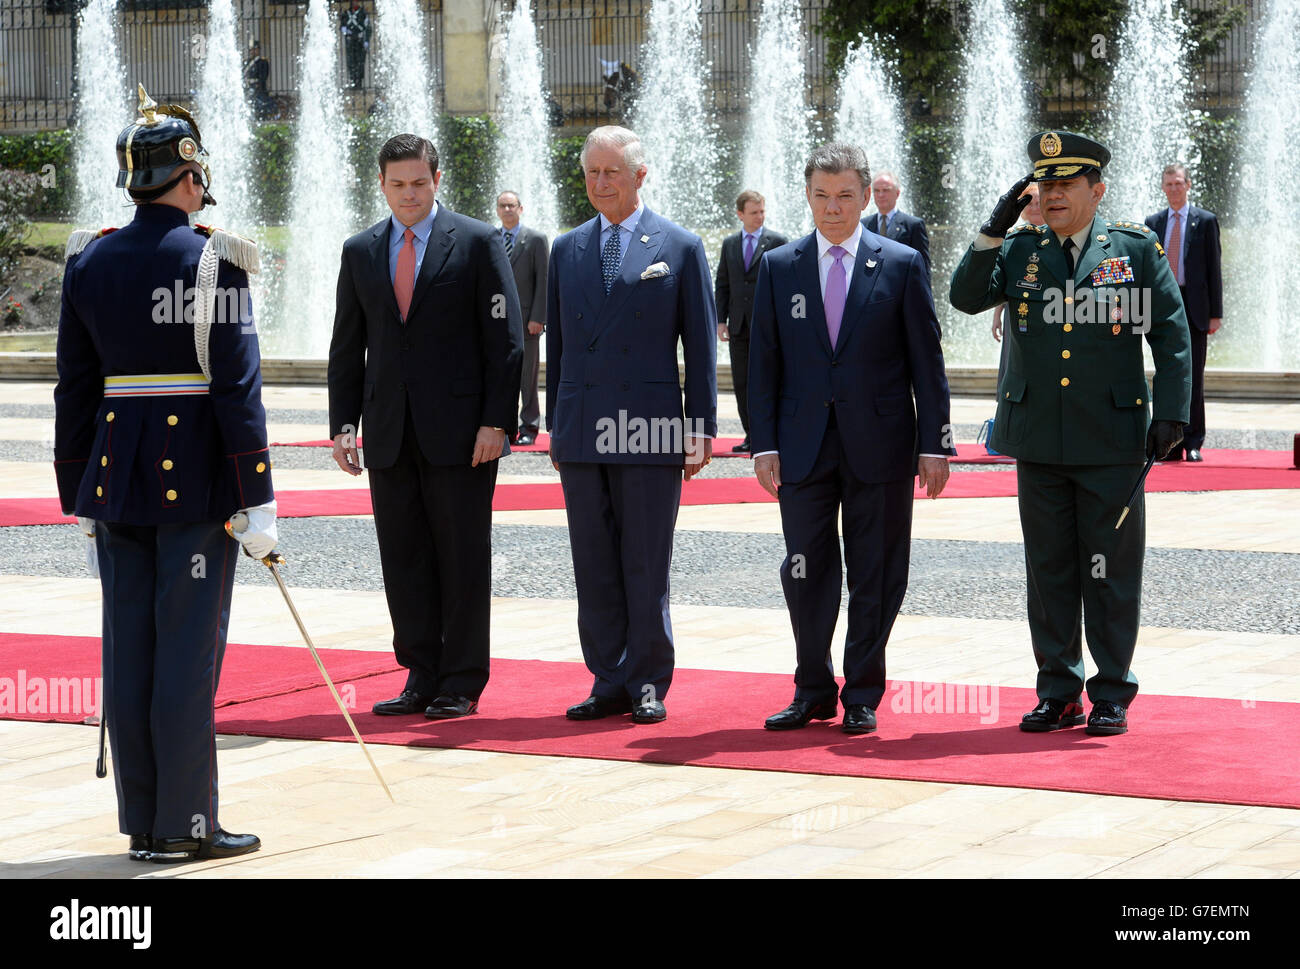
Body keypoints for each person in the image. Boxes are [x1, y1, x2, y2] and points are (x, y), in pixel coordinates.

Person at [55, 85, 275, 862]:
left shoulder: (89, 259)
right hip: (196, 484)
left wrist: (76, 493)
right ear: (191, 176)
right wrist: (260, 499)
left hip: (115, 481)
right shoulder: (216, 259)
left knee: (130, 652)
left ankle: (145, 823)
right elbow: (236, 390)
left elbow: (74, 390)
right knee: (185, 655)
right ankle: (187, 825)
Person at [949, 131, 1191, 736]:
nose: (1052, 195)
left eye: (1066, 184)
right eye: (1045, 184)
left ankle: (1111, 691)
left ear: (1096, 189)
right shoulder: (1023, 247)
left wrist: (1172, 413)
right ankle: (1059, 690)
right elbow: (964, 297)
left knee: (1109, 568)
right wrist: (993, 229)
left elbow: (1172, 333)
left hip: (1111, 439)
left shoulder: (1132, 250)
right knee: (1049, 569)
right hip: (1038, 439)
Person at [750, 143, 954, 735]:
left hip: (883, 446)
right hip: (802, 447)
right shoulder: (779, 265)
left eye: (844, 196)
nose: (832, 209)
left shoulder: (901, 263)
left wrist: (934, 444)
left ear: (866, 197)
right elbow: (762, 364)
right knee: (805, 571)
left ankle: (862, 689)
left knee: (878, 571)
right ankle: (812, 687)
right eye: (821, 196)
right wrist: (763, 444)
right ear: (807, 197)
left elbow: (928, 363)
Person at [328, 133, 523, 721]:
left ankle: (461, 681)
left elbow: (506, 341)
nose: (408, 194)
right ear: (382, 185)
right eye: (397, 184)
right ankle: (419, 673)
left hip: (463, 434)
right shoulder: (360, 251)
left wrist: (497, 421)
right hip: (389, 431)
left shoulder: (478, 241)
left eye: (418, 182)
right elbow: (347, 345)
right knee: (404, 557)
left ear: (436, 180)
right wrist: (343, 423)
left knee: (462, 557)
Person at [546, 125, 717, 724]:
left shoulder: (680, 245)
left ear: (640, 176)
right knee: (592, 561)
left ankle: (647, 680)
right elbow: (560, 348)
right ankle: (607, 677)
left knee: (645, 561)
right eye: (591, 172)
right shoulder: (565, 249)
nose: (598, 183)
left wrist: (700, 428)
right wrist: (557, 427)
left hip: (649, 429)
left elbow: (699, 347)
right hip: (584, 426)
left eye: (610, 172)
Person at [1144, 163, 1222, 462]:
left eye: (1178, 183)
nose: (1173, 189)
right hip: (1163, 304)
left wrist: (1216, 313)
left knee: (1194, 375)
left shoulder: (1205, 221)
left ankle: (1193, 441)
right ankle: (1169, 442)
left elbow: (1214, 268)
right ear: (1163, 188)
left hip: (1196, 306)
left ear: (1188, 185)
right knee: (1167, 372)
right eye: (1168, 184)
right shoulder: (1153, 221)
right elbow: (1146, 267)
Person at [714, 189, 788, 453]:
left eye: (762, 211)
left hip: (769, 326)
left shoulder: (778, 241)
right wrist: (720, 321)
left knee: (769, 380)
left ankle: (771, 435)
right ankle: (750, 436)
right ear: (740, 214)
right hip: (739, 327)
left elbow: (787, 284)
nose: (760, 217)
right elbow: (722, 284)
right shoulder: (730, 244)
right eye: (754, 212)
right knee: (742, 383)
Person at [496, 190, 548, 445]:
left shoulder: (536, 239)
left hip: (528, 322)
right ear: (497, 210)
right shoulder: (491, 238)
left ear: (520, 208)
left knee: (527, 378)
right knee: (501, 377)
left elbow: (544, 280)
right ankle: (504, 428)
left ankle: (529, 427)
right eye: (503, 206)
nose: (507, 210)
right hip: (497, 322)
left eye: (511, 205)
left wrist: (538, 317)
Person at [992, 181, 1042, 345]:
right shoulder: (1012, 240)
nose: (1034, 207)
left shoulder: (1061, 236)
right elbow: (1003, 279)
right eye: (1029, 203)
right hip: (1017, 311)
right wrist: (996, 316)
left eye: (1038, 203)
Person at [862, 171, 931, 278]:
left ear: (897, 193)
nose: (881, 195)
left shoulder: (913, 225)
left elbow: (923, 268)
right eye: (877, 190)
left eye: (886, 190)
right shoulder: (863, 224)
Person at [341, 2, 371, 91]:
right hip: (350, 41)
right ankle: (353, 81)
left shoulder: (363, 13)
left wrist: (366, 41)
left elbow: (368, 28)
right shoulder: (346, 13)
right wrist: (345, 31)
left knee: (360, 62)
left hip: (360, 41)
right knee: (351, 62)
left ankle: (359, 83)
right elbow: (342, 25)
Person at [242, 40, 273, 120]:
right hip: (248, 88)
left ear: (258, 50)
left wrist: (257, 85)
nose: (253, 51)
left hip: (259, 89)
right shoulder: (246, 62)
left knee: (261, 107)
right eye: (251, 50)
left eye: (255, 49)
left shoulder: (263, 62)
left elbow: (263, 76)